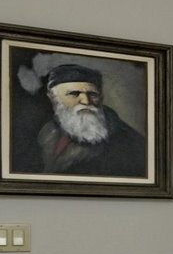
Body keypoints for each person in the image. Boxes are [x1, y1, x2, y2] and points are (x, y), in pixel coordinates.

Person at [15, 63, 148, 178]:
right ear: (54, 98)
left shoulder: (127, 143)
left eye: (92, 94)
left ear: (100, 98)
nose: (86, 101)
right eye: (74, 94)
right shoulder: (46, 131)